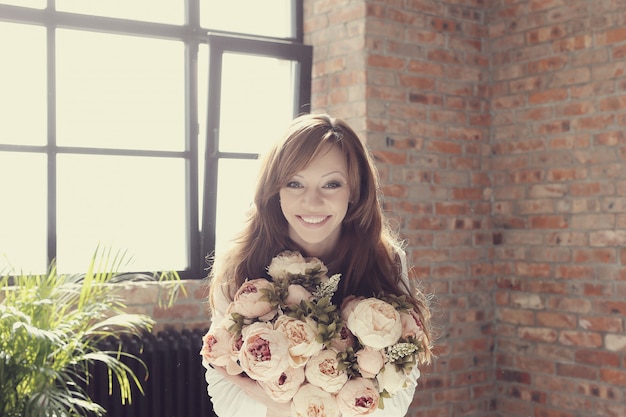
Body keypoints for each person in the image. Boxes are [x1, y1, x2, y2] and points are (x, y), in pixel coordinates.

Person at [204, 113, 433, 416]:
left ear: (354, 191)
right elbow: (224, 397)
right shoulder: (241, 260)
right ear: (276, 190)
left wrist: (277, 402)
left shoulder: (384, 260)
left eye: (331, 184)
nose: (311, 202)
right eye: (295, 183)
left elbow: (401, 390)